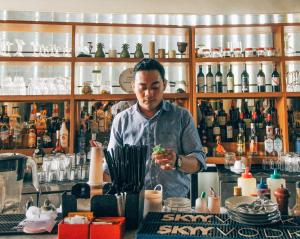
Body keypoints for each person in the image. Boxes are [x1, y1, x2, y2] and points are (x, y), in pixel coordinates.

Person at [104, 58, 206, 198]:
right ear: (133, 86)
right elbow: (110, 168)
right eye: (142, 87)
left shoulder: (181, 116)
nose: (148, 93)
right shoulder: (121, 121)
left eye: (155, 87)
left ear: (164, 85)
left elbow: (198, 162)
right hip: (133, 203)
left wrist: (177, 160)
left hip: (174, 204)